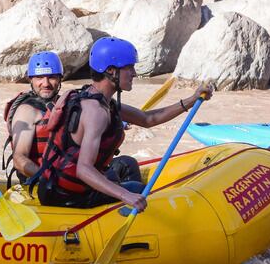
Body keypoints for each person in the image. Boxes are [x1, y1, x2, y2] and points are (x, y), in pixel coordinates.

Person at [33, 37, 212, 209]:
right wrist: (125, 196)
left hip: (53, 186)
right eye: (129, 68)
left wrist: (192, 99)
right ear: (111, 70)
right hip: (65, 196)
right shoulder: (96, 112)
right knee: (139, 190)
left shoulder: (93, 97)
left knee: (128, 164)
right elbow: (84, 169)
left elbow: (147, 119)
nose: (134, 73)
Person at [4, 51, 65, 185]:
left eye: (52, 77)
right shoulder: (27, 111)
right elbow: (19, 159)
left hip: (66, 175)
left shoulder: (65, 104)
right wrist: (51, 180)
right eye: (39, 77)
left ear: (60, 79)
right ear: (30, 80)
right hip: (38, 183)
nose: (46, 83)